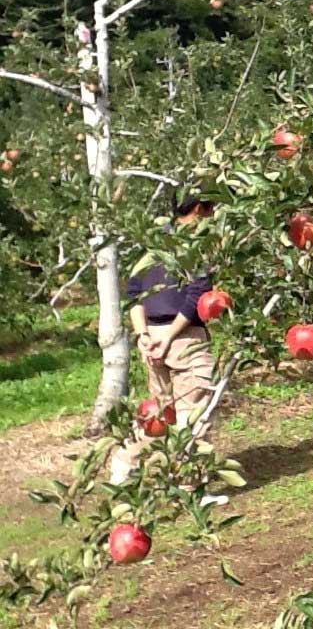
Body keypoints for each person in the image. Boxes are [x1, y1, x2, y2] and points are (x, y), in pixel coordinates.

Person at [110, 193, 218, 485]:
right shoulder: (194, 247)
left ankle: (122, 468)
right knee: (193, 413)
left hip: (151, 336)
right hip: (184, 338)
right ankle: (190, 485)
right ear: (199, 209)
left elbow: (134, 295)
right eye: (212, 208)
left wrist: (143, 335)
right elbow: (197, 297)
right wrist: (168, 338)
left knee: (159, 411)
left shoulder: (154, 245)